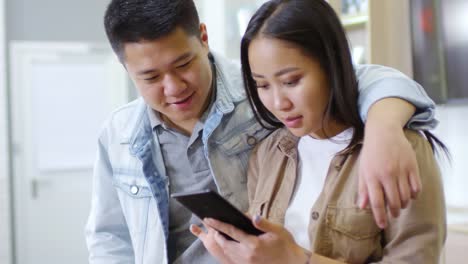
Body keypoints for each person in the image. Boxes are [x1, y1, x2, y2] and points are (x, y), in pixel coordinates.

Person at [85, 0, 439, 263]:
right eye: (150, 77)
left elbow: (366, 78)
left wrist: (385, 127)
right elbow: (110, 239)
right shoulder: (120, 134)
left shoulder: (255, 98)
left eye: (183, 64)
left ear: (203, 38)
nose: (174, 87)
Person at [192, 0, 447, 263]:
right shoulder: (268, 153)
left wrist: (297, 259)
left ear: (331, 64)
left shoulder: (399, 149)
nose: (279, 103)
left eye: (291, 81)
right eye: (262, 85)